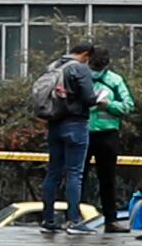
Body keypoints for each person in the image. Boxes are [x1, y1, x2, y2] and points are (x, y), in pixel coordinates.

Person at [31, 44, 98, 232]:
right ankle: (74, 221)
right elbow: (88, 98)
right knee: (74, 173)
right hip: (76, 125)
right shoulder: (79, 68)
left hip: (54, 124)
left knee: (53, 173)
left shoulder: (54, 66)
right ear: (85, 55)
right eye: (88, 59)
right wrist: (98, 98)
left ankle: (49, 220)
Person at [82, 43, 135, 230]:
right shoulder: (81, 78)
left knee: (107, 178)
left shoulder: (115, 80)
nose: (95, 71)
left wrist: (110, 105)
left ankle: (110, 220)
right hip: (84, 132)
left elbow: (128, 105)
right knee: (78, 177)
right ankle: (73, 218)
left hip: (108, 135)